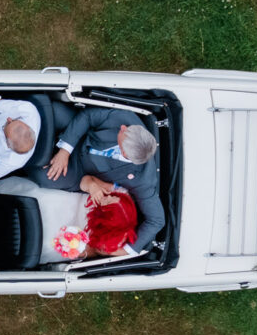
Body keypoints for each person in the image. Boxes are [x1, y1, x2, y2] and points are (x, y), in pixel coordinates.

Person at [33, 107, 163, 255]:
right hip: (81, 136)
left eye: (123, 133)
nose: (122, 128)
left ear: (126, 154)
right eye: (124, 129)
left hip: (82, 172)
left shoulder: (143, 180)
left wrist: (127, 251)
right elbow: (88, 116)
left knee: (42, 176)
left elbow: (156, 220)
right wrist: (65, 150)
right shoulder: (127, 121)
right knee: (52, 113)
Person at [0, 175, 139, 263]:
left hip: (70, 233)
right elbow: (86, 180)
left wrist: (78, 249)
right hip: (66, 202)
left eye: (107, 204)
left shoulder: (113, 241)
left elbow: (95, 251)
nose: (106, 198)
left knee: (41, 242)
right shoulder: (121, 195)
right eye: (110, 198)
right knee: (34, 198)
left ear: (106, 220)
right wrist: (93, 187)